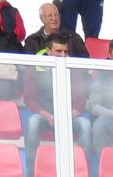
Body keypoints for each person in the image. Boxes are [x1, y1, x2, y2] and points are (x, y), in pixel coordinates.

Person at [21, 33, 90, 164]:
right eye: (58, 51)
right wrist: (48, 116)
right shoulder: (34, 65)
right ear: (48, 50)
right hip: (44, 116)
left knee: (85, 125)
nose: (63, 55)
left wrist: (66, 117)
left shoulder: (73, 67)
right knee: (32, 123)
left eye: (65, 51)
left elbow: (80, 100)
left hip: (69, 117)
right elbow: (29, 98)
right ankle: (32, 169)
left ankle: (83, 168)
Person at [23, 2, 89, 57]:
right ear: (42, 19)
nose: (54, 18)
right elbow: (27, 65)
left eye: (56, 15)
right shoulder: (32, 41)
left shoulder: (73, 37)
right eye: (50, 15)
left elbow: (84, 59)